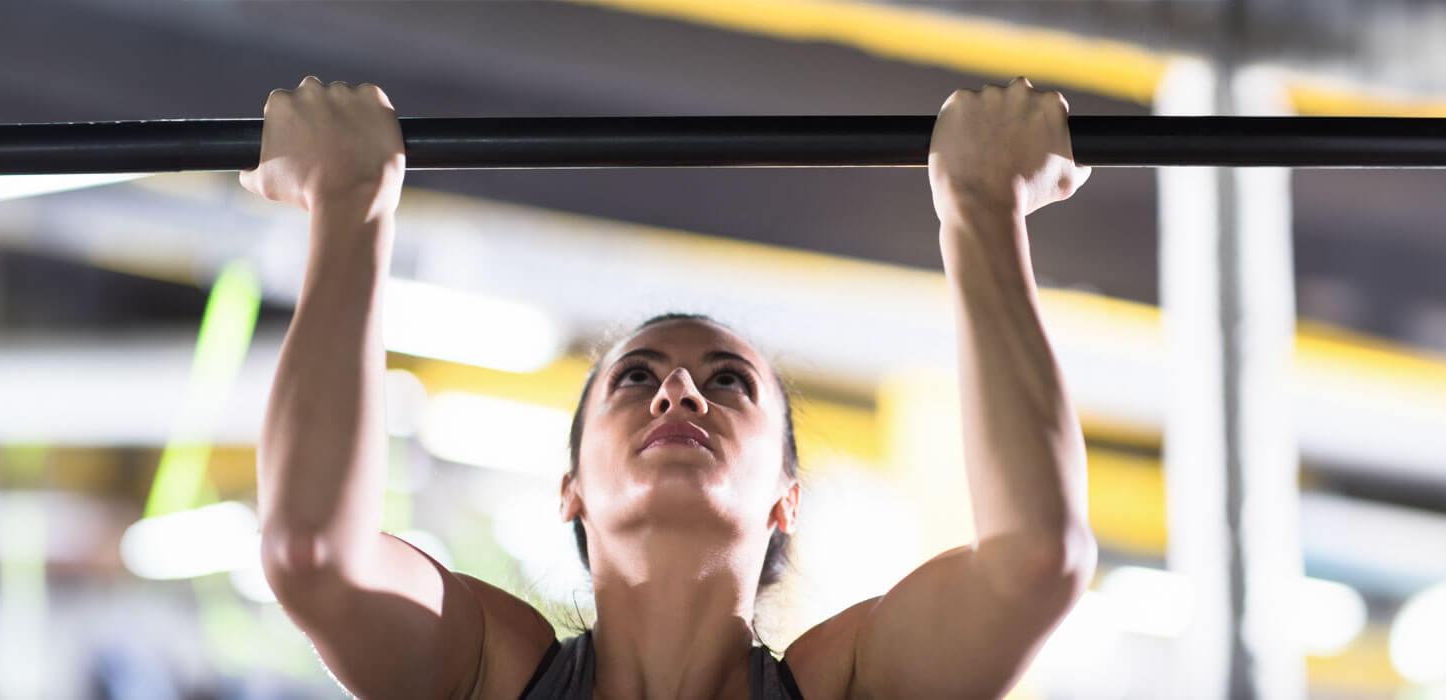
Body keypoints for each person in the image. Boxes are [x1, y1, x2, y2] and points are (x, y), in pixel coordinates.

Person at [246, 75, 1096, 699]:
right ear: (572, 488)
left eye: (729, 382)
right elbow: (321, 554)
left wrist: (982, 207)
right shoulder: (484, 669)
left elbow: (1034, 560)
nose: (681, 389)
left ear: (786, 500)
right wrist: (350, 199)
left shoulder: (852, 680)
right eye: (636, 377)